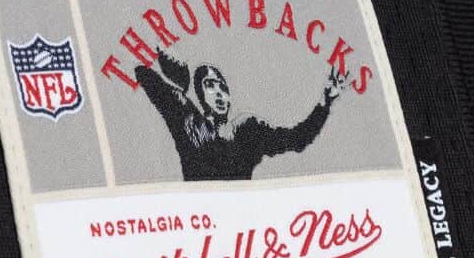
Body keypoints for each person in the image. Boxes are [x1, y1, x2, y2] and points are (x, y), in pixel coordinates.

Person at [135, 50, 347, 180]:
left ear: (229, 97)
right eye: (210, 85)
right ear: (200, 94)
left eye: (223, 87)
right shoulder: (190, 122)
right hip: (199, 217)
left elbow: (297, 139)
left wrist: (324, 103)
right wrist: (179, 85)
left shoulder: (247, 129)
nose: (219, 92)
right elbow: (143, 74)